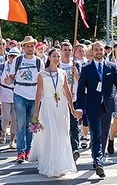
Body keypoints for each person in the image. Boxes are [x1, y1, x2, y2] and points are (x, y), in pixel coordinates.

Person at [76, 41, 117, 178]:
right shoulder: (86, 68)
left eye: (101, 49)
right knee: (95, 134)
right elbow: (80, 89)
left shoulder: (111, 66)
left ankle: (99, 158)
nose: (98, 52)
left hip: (107, 105)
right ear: (92, 51)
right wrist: (79, 107)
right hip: (92, 106)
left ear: (104, 51)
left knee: (104, 134)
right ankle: (98, 161)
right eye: (96, 49)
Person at [28, 49, 77, 177]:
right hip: (48, 105)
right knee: (51, 133)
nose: (56, 58)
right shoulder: (42, 74)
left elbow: (66, 91)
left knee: (61, 134)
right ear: (49, 57)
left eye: (58, 56)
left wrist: (72, 108)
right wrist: (37, 111)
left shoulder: (63, 73)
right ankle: (49, 163)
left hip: (61, 105)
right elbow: (38, 93)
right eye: (54, 56)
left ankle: (61, 163)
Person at [5, 36, 44, 163]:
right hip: (20, 94)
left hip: (33, 95)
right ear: (23, 48)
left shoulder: (39, 62)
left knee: (31, 124)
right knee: (21, 123)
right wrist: (8, 80)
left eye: (32, 46)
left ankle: (29, 150)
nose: (30, 48)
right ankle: (20, 151)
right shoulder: (17, 60)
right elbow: (11, 77)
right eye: (27, 46)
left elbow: (42, 79)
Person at [59, 42, 81, 161]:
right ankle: (63, 148)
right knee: (62, 125)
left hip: (75, 98)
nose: (67, 52)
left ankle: (74, 148)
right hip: (62, 99)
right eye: (65, 50)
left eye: (69, 50)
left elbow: (82, 81)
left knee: (74, 125)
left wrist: (76, 74)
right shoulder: (58, 65)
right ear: (61, 51)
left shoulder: (76, 64)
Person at [0, 47, 20, 147]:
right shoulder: (3, 66)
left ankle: (12, 140)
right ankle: (3, 130)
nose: (13, 58)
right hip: (5, 93)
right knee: (6, 117)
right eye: (11, 56)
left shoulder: (20, 66)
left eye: (15, 56)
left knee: (15, 118)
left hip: (16, 93)